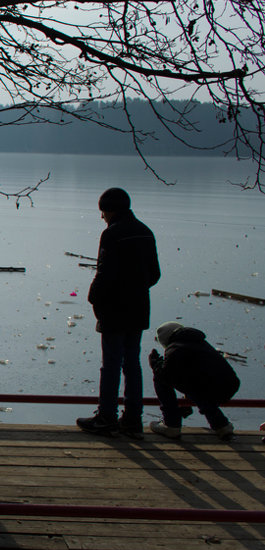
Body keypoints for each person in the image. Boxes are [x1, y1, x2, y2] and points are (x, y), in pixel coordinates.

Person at [76, 187, 160, 438]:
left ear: (109, 210)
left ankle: (106, 418)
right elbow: (154, 274)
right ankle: (133, 420)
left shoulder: (112, 234)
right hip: (138, 307)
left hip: (113, 308)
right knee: (132, 363)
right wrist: (136, 287)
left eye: (103, 212)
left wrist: (93, 297)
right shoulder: (146, 232)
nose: (102, 217)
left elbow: (104, 271)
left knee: (111, 364)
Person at [148, 321, 238, 439]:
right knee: (198, 384)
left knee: (160, 379)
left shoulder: (175, 349)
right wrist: (186, 401)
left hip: (210, 390)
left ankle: (171, 425)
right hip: (230, 386)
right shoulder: (199, 343)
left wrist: (155, 365)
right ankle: (221, 425)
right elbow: (193, 375)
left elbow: (167, 376)